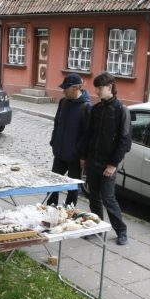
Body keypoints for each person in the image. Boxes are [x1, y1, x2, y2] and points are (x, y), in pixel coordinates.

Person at [82, 72, 131, 245]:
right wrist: (84, 159)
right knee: (94, 198)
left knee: (108, 198)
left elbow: (125, 141)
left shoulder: (121, 110)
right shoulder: (96, 109)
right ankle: (97, 228)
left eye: (99, 87)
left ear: (109, 87)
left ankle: (121, 231)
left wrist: (113, 164)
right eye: (96, 87)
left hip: (108, 163)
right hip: (93, 160)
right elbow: (88, 135)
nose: (96, 91)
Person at [46, 73, 90, 209]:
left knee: (72, 187)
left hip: (74, 157)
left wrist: (81, 155)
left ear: (76, 88)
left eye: (66, 88)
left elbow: (87, 134)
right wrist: (54, 142)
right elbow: (57, 123)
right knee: (53, 183)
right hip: (59, 153)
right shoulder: (63, 102)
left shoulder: (86, 107)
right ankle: (50, 208)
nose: (63, 91)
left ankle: (69, 212)